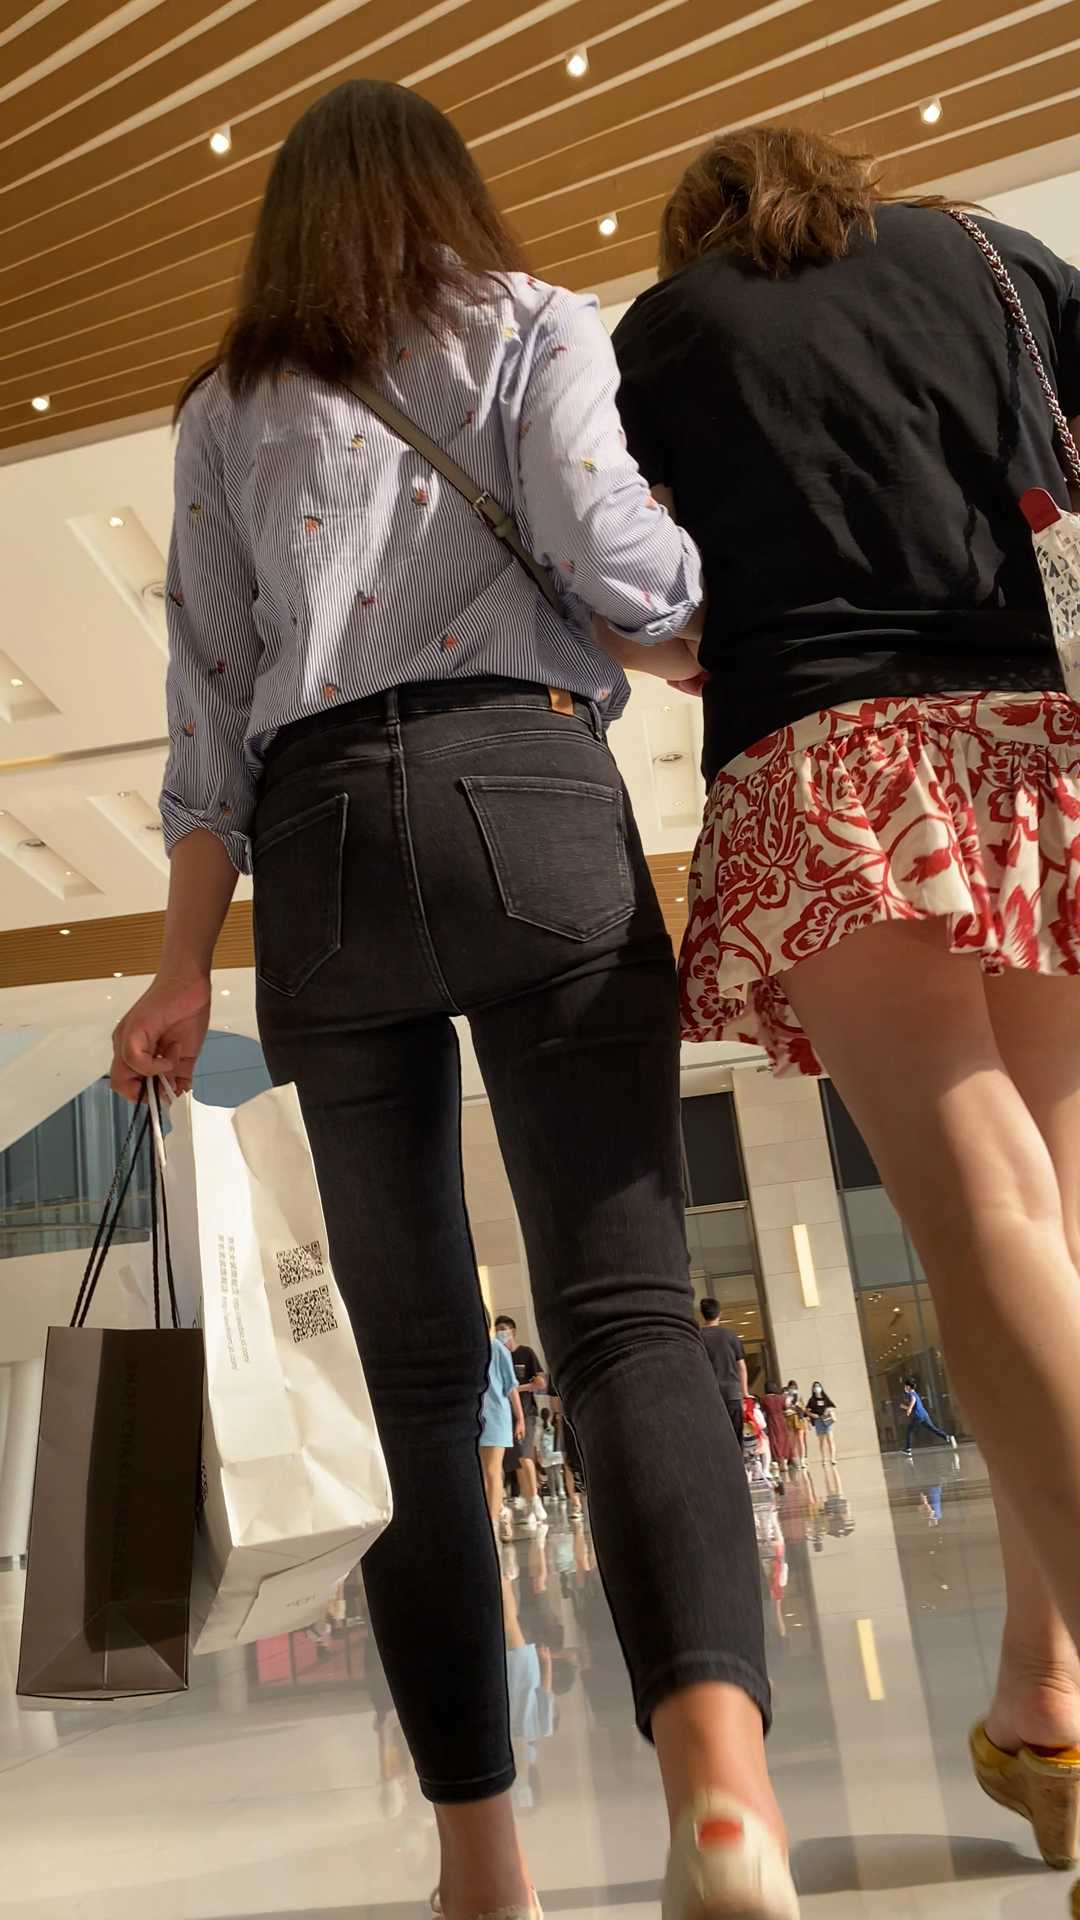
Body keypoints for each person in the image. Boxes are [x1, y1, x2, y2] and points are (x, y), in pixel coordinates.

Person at [110, 81, 794, 1920]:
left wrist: (180, 966)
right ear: (448, 190)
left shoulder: (222, 407)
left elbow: (207, 716)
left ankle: (480, 1861)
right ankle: (722, 1796)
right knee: (626, 1311)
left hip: (320, 847)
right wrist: (703, 601)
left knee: (415, 1375)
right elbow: (617, 557)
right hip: (529, 791)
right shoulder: (533, 320)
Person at [612, 121, 1080, 1880]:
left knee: (981, 1215)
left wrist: (680, 645)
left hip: (830, 756)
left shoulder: (664, 337)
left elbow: (623, 581)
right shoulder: (989, 258)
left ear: (696, 223)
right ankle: (1047, 1696)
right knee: (1051, 1220)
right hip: (1034, 745)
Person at [495, 1315, 547, 1528]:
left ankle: (535, 1500)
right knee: (517, 1462)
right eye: (498, 1329)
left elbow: (541, 1382)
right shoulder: (498, 1355)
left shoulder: (526, 1353)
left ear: (513, 1331)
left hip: (527, 1413)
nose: (501, 1332)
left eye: (504, 1328)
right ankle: (529, 1505)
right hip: (505, 1416)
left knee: (525, 1457)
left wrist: (519, 1388)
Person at [480, 1312, 525, 1532]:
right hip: (475, 1418)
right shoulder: (466, 1349)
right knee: (484, 1473)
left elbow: (511, 1386)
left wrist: (520, 1418)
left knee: (492, 1470)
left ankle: (492, 1525)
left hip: (497, 1416)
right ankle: (500, 1510)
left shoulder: (497, 1349)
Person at [698, 1297, 749, 1439]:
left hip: (709, 1394)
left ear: (702, 1314)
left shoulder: (698, 1337)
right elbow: (741, 1367)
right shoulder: (730, 1335)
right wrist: (745, 1392)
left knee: (715, 1437)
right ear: (720, 1313)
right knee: (736, 1437)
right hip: (732, 1393)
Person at [900, 1379, 955, 1457]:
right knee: (932, 1428)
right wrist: (906, 1407)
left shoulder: (911, 1394)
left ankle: (908, 1449)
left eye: (905, 1386)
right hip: (924, 1414)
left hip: (918, 1416)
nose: (904, 1388)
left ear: (908, 1387)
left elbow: (913, 1400)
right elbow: (915, 1406)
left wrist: (909, 1409)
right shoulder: (915, 1393)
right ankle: (947, 1437)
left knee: (909, 1430)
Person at [760, 1381, 795, 1475]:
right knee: (784, 1440)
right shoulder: (781, 1398)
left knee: (774, 1440)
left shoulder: (764, 1399)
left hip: (771, 1420)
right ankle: (785, 1462)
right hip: (781, 1420)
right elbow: (787, 1408)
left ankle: (779, 1461)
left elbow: (763, 1412)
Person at [805, 1383, 837, 1467]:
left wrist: (828, 1410)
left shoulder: (825, 1398)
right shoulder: (812, 1400)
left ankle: (833, 1458)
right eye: (815, 1387)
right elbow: (807, 1411)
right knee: (822, 1441)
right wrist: (812, 1415)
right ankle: (824, 1458)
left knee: (830, 1440)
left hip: (826, 1420)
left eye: (818, 1386)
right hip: (818, 1421)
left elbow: (832, 1406)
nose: (817, 1388)